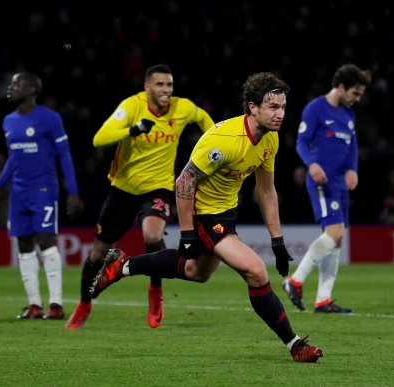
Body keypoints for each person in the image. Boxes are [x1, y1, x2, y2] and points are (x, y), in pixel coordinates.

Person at [90, 72, 324, 362]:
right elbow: (184, 183)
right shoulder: (223, 139)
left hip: (225, 212)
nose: (280, 114)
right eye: (273, 107)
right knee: (256, 271)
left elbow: (265, 191)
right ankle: (295, 345)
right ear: (252, 107)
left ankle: (121, 265)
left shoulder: (269, 140)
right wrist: (187, 233)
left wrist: (277, 240)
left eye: (283, 107)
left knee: (196, 273)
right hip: (202, 213)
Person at [65, 64, 215, 329]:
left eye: (169, 85)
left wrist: (214, 149)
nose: (166, 90)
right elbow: (99, 139)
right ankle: (84, 304)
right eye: (159, 85)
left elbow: (206, 121)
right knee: (98, 253)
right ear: (147, 87)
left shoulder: (183, 107)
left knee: (153, 236)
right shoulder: (132, 106)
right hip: (123, 189)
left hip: (159, 188)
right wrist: (132, 130)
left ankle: (155, 293)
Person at [0, 72, 84, 320]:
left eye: (16, 84)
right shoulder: (8, 121)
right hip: (18, 192)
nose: (10, 87)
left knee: (46, 241)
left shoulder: (50, 119)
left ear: (31, 89)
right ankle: (34, 305)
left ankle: (56, 304)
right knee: (24, 244)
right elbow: (13, 157)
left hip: (43, 189)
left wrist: (72, 192)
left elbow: (65, 155)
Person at [282, 64, 371, 313]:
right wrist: (311, 165)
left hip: (341, 183)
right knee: (334, 234)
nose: (358, 98)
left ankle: (323, 299)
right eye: (355, 93)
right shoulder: (316, 109)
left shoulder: (348, 115)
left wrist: (353, 169)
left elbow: (352, 146)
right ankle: (295, 280)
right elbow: (301, 142)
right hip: (323, 182)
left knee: (337, 241)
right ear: (341, 87)